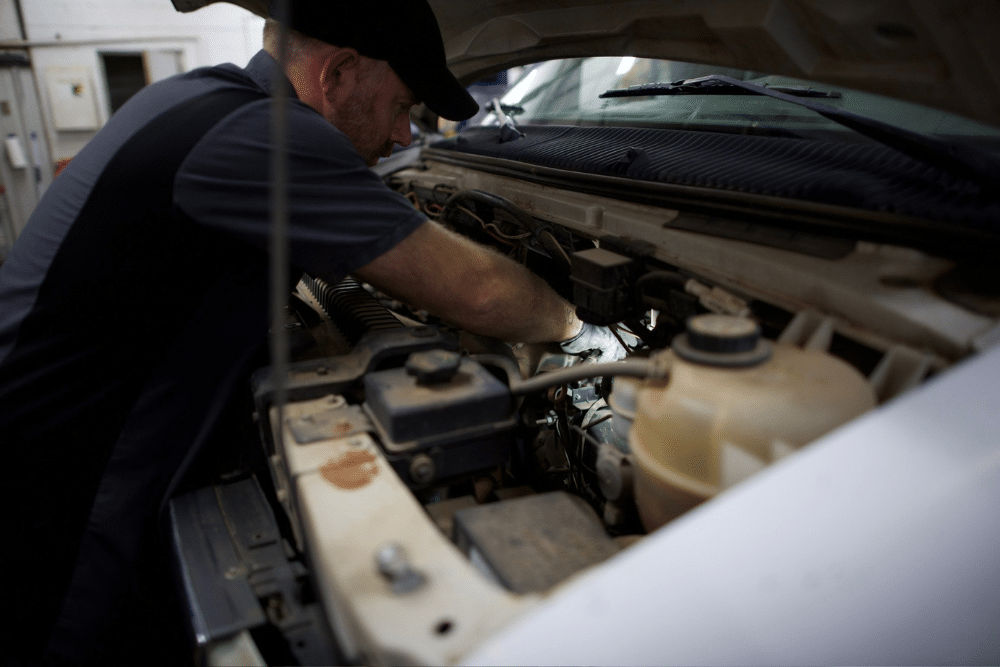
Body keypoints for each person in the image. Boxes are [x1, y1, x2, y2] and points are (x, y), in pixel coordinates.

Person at [0, 1, 623, 664]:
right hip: (61, 489)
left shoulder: (198, 97)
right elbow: (483, 292)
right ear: (340, 75)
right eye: (401, 104)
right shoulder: (266, 134)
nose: (404, 135)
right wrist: (580, 328)